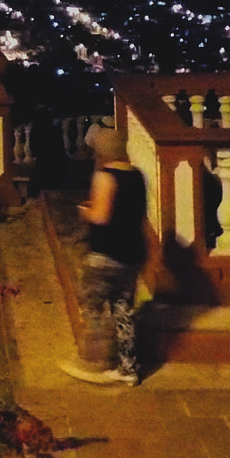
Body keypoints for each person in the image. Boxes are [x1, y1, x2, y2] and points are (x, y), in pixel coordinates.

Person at [58, 123, 145, 386]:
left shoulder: (105, 176)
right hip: (131, 254)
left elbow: (101, 215)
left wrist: (84, 210)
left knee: (92, 306)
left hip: (105, 254)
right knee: (123, 311)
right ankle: (128, 368)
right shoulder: (137, 176)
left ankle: (94, 362)